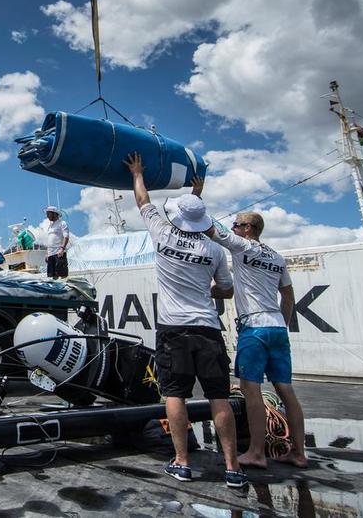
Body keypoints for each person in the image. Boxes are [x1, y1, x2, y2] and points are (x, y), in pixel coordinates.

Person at [124, 153, 245, 488]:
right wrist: (196, 197)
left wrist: (137, 172)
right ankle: (233, 468)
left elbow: (143, 200)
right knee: (218, 396)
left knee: (175, 394)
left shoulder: (163, 233)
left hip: (173, 329)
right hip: (207, 328)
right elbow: (226, 290)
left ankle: (182, 462)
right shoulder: (215, 250)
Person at [198, 203, 308, 469]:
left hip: (254, 327)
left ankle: (256, 452)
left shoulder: (242, 246)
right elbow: (289, 296)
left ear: (248, 229)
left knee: (250, 390)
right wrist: (282, 322)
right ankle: (299, 453)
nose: (233, 228)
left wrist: (195, 200)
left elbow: (210, 229)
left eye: (236, 225)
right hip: (278, 327)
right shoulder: (277, 257)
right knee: (286, 390)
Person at [43, 206, 70, 279]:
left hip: (59, 253)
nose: (47, 216)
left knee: (62, 274)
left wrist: (62, 248)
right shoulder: (50, 226)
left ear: (54, 214)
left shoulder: (62, 223)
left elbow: (66, 236)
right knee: (52, 276)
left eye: (48, 214)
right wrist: (47, 253)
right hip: (50, 254)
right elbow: (49, 240)